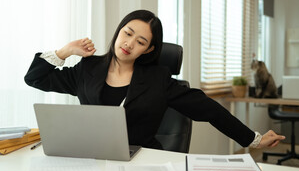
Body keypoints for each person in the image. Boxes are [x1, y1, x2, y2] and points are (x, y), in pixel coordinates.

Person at [25, 9, 285, 150]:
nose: (129, 44)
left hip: (142, 160)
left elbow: (208, 109)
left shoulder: (158, 79)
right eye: (127, 33)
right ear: (118, 32)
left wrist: (254, 138)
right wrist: (65, 51)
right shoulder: (87, 69)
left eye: (140, 41)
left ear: (148, 50)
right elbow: (35, 78)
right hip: (92, 157)